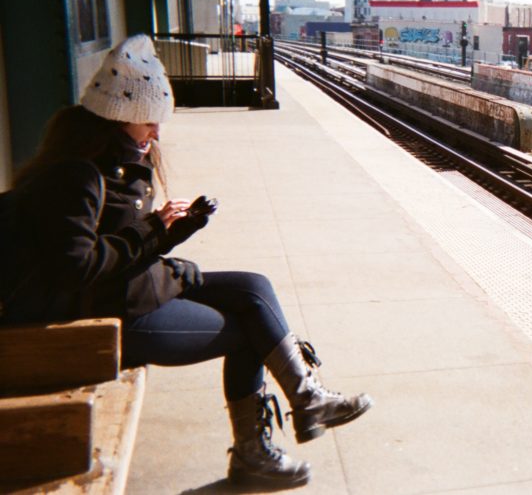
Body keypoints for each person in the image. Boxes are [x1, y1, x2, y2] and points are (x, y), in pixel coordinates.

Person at [0, 34, 372, 487]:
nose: (156, 133)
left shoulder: (115, 161)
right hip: (113, 314)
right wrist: (152, 231)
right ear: (121, 117)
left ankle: (306, 396)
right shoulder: (75, 174)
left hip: (132, 287)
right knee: (249, 335)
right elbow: (75, 267)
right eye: (149, 123)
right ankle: (255, 457)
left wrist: (171, 232)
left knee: (253, 287)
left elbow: (118, 245)